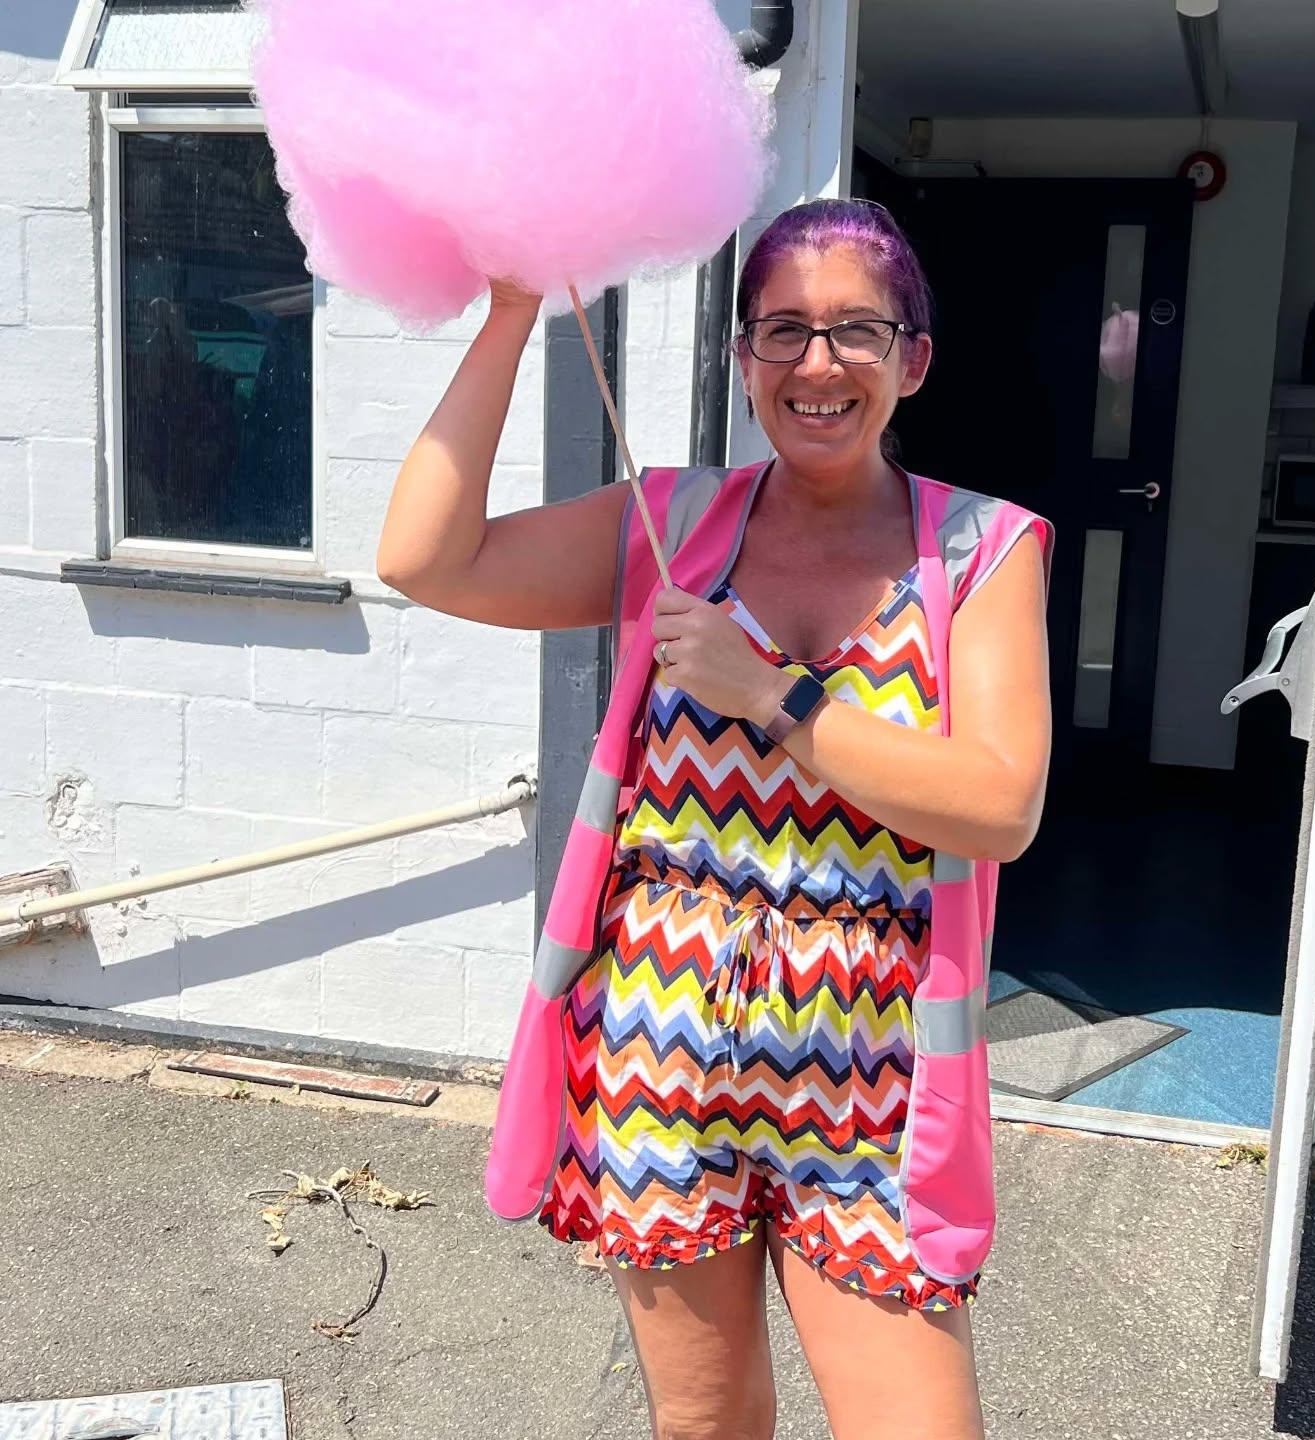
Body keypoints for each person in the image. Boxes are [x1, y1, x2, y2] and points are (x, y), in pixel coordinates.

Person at [377, 199, 1053, 1440]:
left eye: (857, 329)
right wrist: (514, 312)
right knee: (706, 1425)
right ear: (742, 361)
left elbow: (1001, 804)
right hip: (664, 1036)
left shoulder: (983, 549)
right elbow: (427, 558)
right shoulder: (673, 527)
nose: (817, 362)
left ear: (914, 359)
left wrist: (774, 697)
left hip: (871, 1069)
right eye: (782, 330)